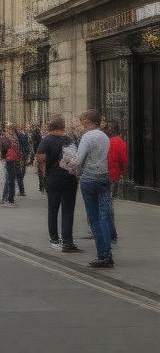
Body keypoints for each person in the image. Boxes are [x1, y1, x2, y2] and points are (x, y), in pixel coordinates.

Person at [34, 115, 79, 253]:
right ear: (63, 126)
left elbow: (41, 160)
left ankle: (54, 237)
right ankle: (67, 240)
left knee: (53, 208)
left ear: (50, 127)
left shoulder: (46, 141)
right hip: (70, 178)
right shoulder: (70, 140)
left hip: (53, 178)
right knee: (68, 210)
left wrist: (43, 175)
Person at [76, 110, 113, 268]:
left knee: (94, 218)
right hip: (104, 178)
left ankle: (102, 255)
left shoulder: (87, 137)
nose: (81, 125)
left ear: (88, 122)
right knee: (105, 217)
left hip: (89, 180)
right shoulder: (104, 136)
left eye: (83, 122)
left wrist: (69, 162)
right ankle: (108, 254)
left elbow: (78, 161)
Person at [106, 125, 128, 246]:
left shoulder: (107, 141)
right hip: (114, 175)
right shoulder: (121, 142)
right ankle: (110, 230)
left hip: (105, 175)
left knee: (106, 204)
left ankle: (110, 231)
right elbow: (124, 160)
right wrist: (124, 175)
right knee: (109, 203)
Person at [0, 124, 20, 205]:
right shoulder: (4, 137)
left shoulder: (15, 137)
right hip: (9, 159)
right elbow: (2, 148)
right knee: (10, 179)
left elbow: (18, 147)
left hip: (14, 159)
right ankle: (9, 199)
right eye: (10, 129)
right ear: (6, 129)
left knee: (10, 179)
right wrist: (4, 157)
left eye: (12, 129)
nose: (11, 130)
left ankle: (7, 198)